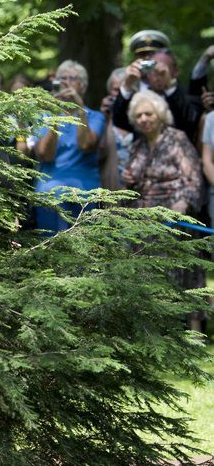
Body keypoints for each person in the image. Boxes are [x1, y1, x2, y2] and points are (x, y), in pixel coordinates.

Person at [123, 89, 205, 329]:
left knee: (186, 278)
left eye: (148, 114)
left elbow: (194, 178)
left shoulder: (177, 138)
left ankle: (194, 333)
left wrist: (182, 205)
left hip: (177, 218)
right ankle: (157, 335)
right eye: (138, 116)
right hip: (145, 220)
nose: (144, 119)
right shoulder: (137, 146)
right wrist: (128, 180)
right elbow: (131, 186)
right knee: (149, 278)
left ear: (159, 114)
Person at [31, 60, 106, 233]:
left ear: (83, 86)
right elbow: (45, 154)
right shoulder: (44, 117)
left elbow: (86, 144)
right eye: (62, 78)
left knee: (86, 248)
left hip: (86, 194)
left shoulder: (95, 117)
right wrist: (56, 114)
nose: (67, 82)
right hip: (50, 194)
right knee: (51, 246)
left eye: (73, 78)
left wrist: (79, 108)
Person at [99, 68, 134, 191]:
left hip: (136, 183)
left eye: (123, 89)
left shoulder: (141, 117)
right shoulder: (103, 117)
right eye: (116, 90)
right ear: (109, 91)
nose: (120, 94)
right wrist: (103, 117)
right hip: (109, 182)